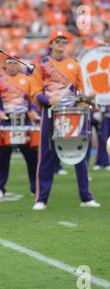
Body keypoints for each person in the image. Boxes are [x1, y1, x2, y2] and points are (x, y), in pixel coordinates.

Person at [30, 30, 100, 210]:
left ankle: (86, 197)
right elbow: (35, 93)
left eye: (64, 40)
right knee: (46, 156)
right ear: (51, 44)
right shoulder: (41, 65)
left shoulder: (74, 64)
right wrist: (47, 100)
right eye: (57, 40)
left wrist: (87, 99)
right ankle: (41, 199)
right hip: (51, 114)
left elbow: (81, 92)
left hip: (74, 113)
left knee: (81, 155)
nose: (61, 43)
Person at [0, 52, 40, 198]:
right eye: (10, 62)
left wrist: (34, 113)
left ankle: (35, 187)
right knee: (3, 155)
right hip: (7, 120)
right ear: (5, 64)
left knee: (32, 155)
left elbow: (32, 102)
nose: (13, 65)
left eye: (15, 62)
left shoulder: (27, 79)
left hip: (24, 120)